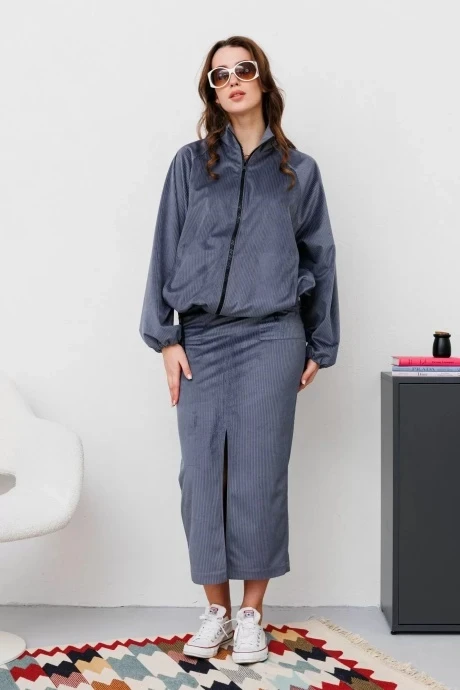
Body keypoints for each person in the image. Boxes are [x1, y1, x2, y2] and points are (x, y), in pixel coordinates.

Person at [139, 35, 340, 665]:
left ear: (262, 80)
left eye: (242, 69)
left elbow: (321, 258)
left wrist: (321, 341)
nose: (232, 80)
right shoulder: (189, 165)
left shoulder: (299, 171)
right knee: (201, 476)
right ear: (212, 91)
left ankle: (251, 614)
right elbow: (165, 248)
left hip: (274, 337)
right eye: (219, 74)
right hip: (201, 338)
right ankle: (216, 611)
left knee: (258, 474)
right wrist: (165, 337)